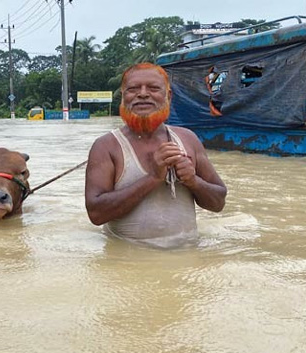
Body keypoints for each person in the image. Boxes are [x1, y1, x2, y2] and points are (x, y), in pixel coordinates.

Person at [84, 63, 227, 248]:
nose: (143, 94)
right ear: (123, 96)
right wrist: (153, 177)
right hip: (128, 261)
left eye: (153, 88)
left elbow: (219, 203)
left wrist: (193, 181)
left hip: (187, 261)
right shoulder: (106, 146)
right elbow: (96, 214)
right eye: (133, 89)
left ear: (168, 96)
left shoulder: (188, 139)